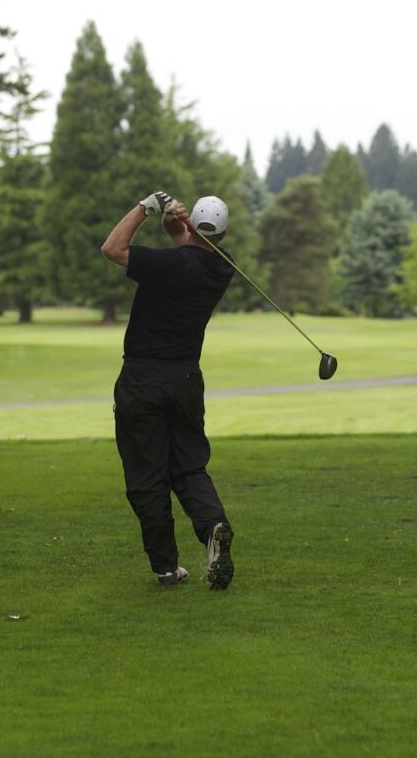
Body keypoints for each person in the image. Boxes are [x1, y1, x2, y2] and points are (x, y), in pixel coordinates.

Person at [100, 191, 236, 589]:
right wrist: (174, 221)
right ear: (223, 235)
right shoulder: (222, 268)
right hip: (186, 381)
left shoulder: (164, 264)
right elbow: (188, 245)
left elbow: (112, 248)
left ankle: (165, 566)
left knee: (147, 476)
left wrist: (146, 208)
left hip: (142, 379)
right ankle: (213, 526)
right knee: (189, 467)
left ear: (193, 224)